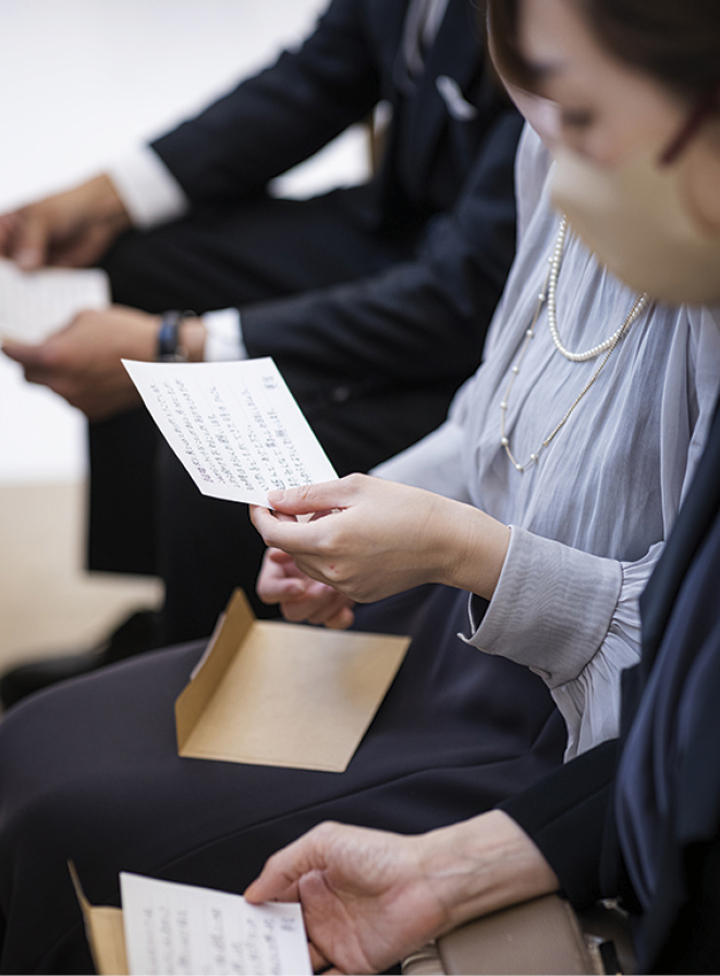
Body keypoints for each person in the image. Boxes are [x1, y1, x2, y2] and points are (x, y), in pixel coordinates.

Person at [241, 1, 720, 973]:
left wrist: (458, 549)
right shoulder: (564, 158)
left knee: (91, 811)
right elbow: (491, 414)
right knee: (55, 760)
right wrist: (367, 509)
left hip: (558, 720)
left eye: (579, 116)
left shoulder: (675, 246)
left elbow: (667, 697)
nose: (547, 149)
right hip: (473, 645)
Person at [0, 0, 523, 704]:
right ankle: (169, 613)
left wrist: (177, 346)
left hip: (489, 309)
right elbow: (317, 76)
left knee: (215, 441)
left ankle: (205, 681)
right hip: (404, 230)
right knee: (140, 261)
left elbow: (465, 293)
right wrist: (106, 199)